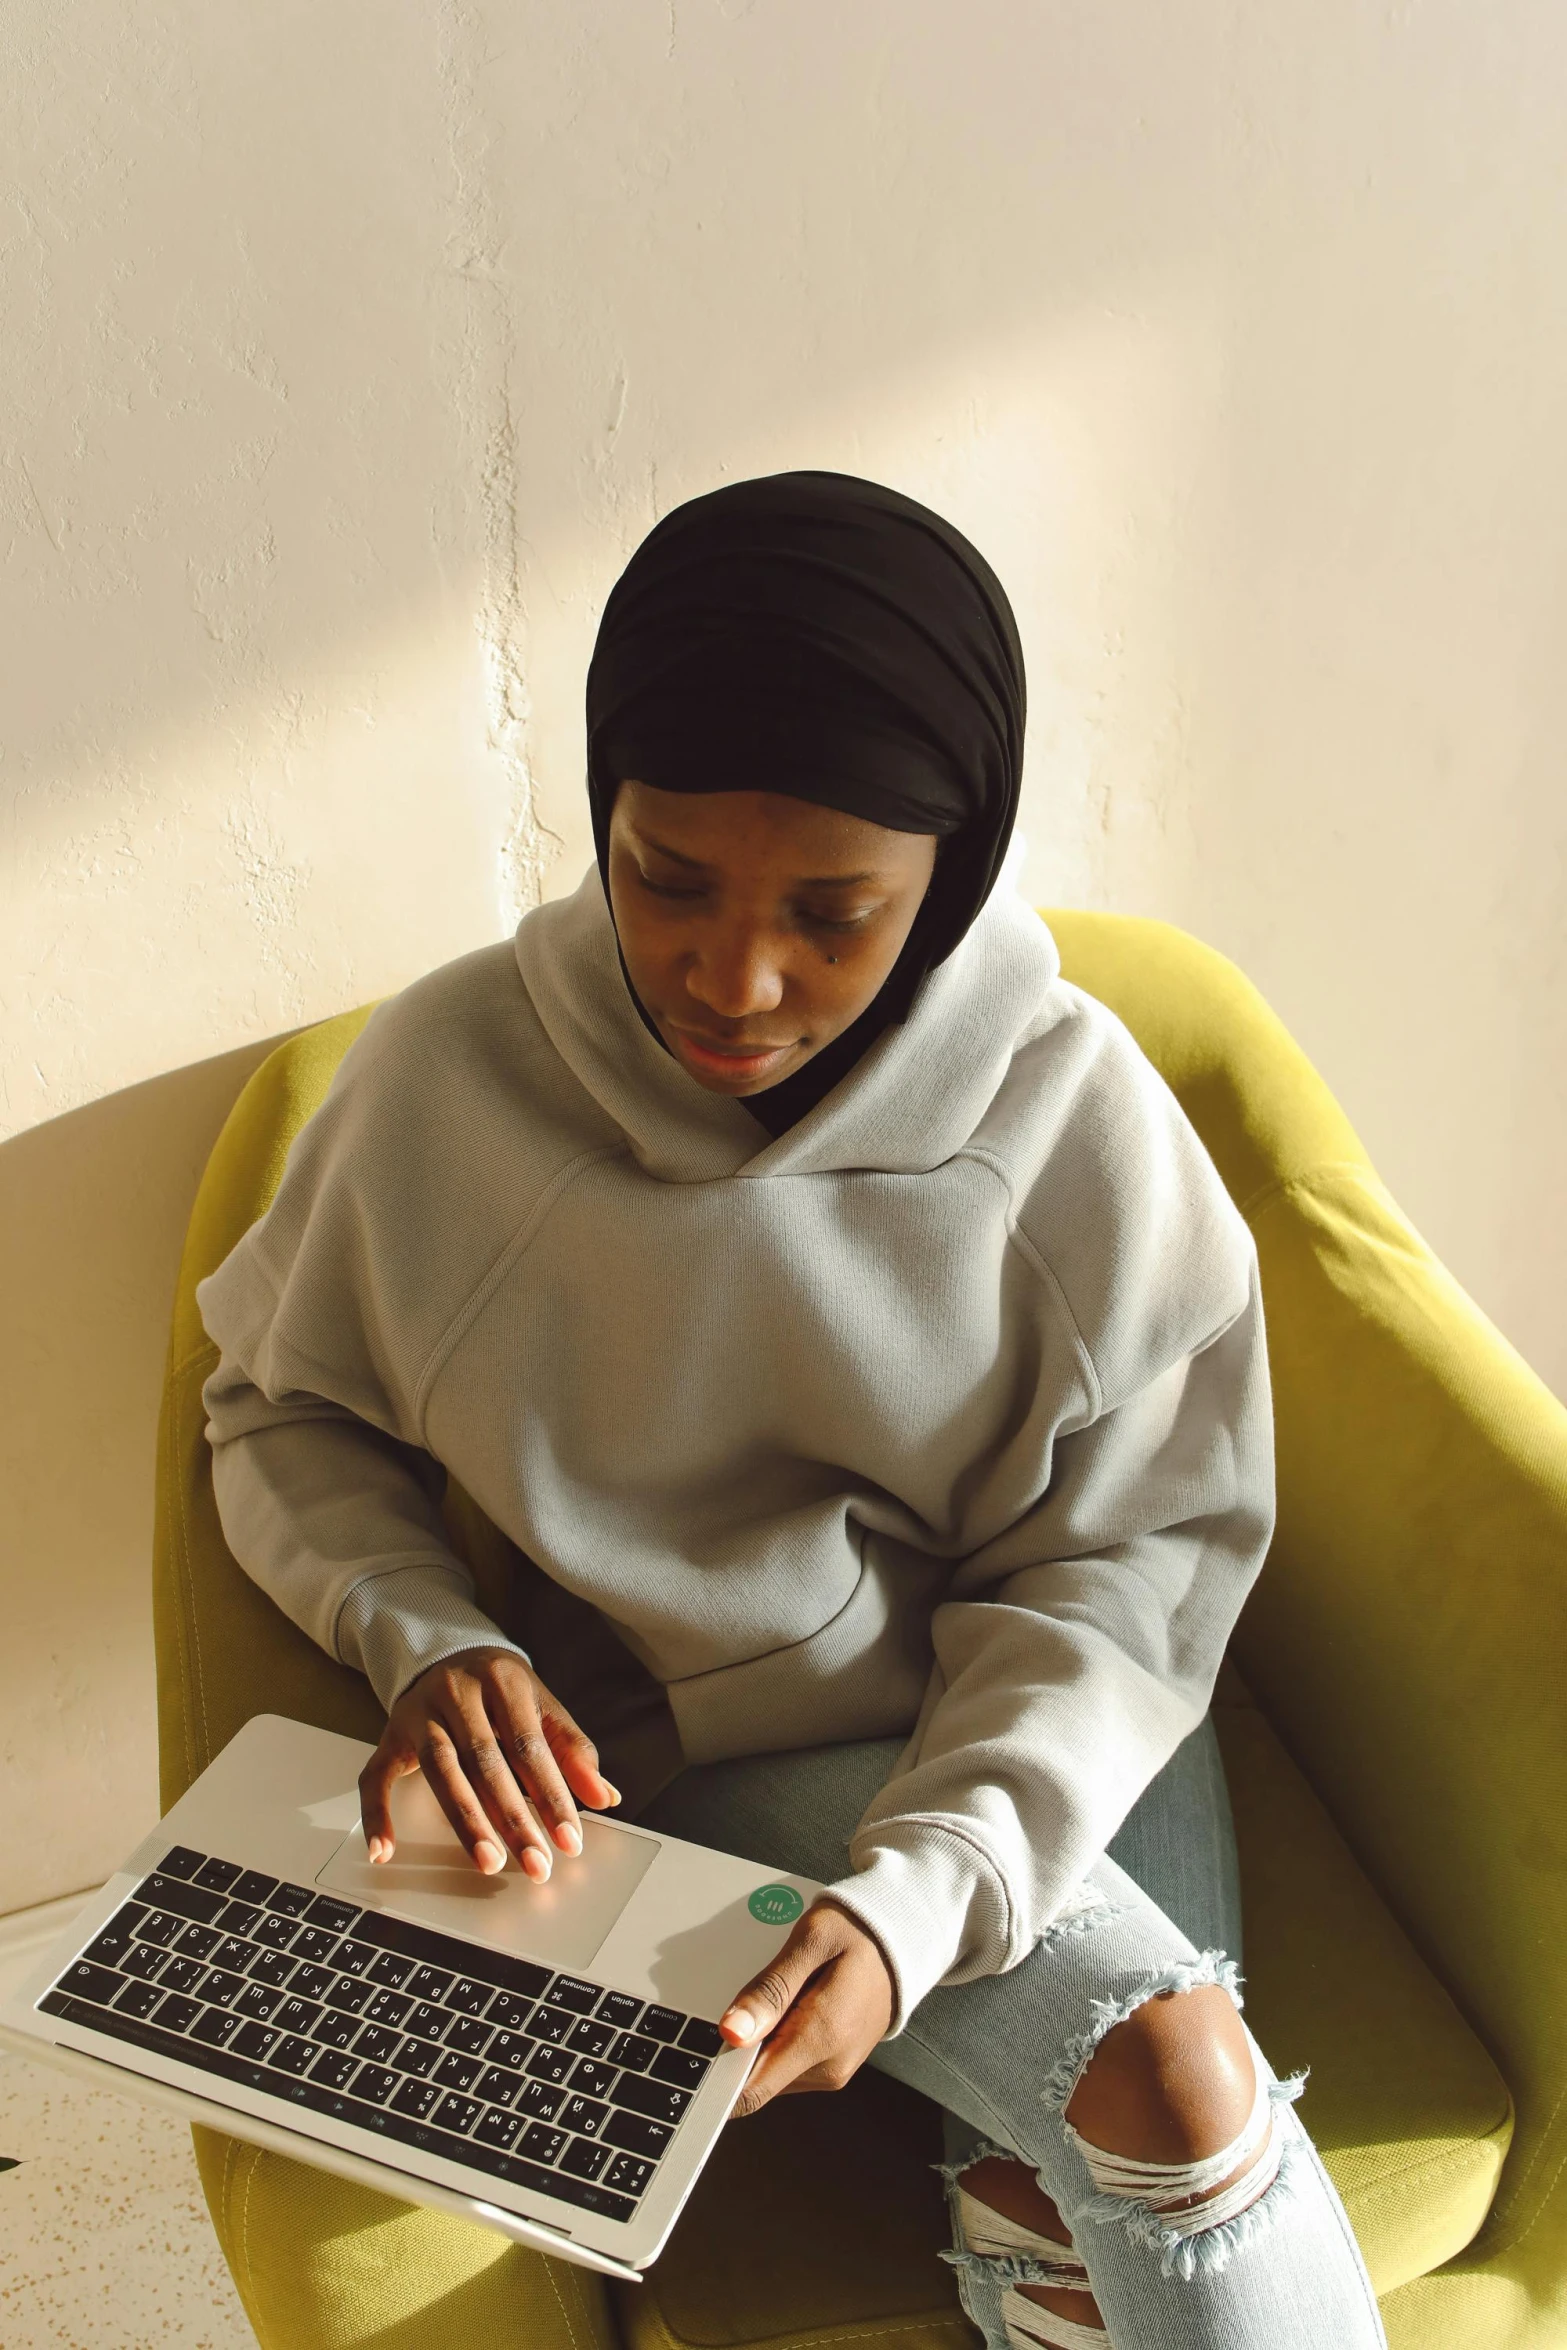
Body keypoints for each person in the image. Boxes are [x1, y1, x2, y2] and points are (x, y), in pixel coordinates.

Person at [195, 470, 1389, 2350]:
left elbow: (1134, 1572)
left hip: (1049, 1716)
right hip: (716, 1763)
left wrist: (926, 1906)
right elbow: (274, 1413)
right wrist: (422, 1638)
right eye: (665, 876)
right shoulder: (448, 1085)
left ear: (952, 871)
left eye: (833, 913)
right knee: (1164, 2093)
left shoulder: (1070, 1125)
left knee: (1116, 2163)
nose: (732, 980)